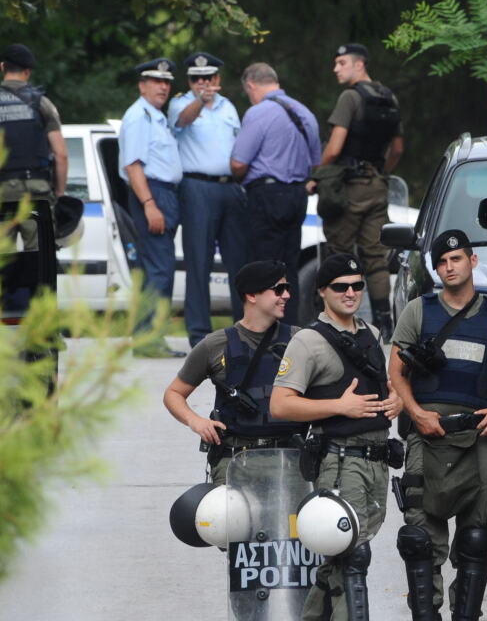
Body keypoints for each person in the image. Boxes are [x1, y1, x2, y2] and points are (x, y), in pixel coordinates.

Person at [388, 229, 487, 621]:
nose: (448, 267)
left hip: (480, 437)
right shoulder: (418, 311)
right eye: (441, 262)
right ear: (436, 271)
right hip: (428, 436)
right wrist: (416, 413)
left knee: (476, 538)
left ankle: (466, 616)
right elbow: (396, 373)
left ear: (472, 262)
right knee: (419, 538)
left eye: (456, 259)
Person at [270, 253, 401, 621]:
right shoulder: (308, 341)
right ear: (323, 292)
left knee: (343, 555)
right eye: (341, 287)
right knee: (352, 554)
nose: (351, 293)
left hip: (376, 461)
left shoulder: (370, 334)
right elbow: (281, 405)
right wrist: (339, 407)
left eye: (357, 285)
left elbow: (387, 388)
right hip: (340, 461)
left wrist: (396, 402)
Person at [163, 260, 304, 486]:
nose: (286, 295)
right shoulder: (215, 345)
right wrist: (196, 421)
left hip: (290, 459)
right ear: (251, 295)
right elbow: (173, 393)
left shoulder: (300, 340)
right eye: (278, 289)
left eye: (288, 289)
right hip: (236, 460)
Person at [313, 43, 404, 339]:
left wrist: (317, 174)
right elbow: (398, 148)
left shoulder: (350, 97)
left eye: (341, 63)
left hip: (348, 187)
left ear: (359, 65)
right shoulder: (389, 97)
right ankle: (385, 323)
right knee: (376, 258)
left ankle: (333, 322)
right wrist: (381, 172)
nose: (335, 68)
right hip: (377, 186)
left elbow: (335, 147)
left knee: (338, 253)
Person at [230, 62, 320, 323]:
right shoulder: (305, 113)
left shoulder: (259, 113)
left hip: (267, 195)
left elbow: (238, 163)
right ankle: (287, 326)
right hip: (297, 197)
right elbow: (316, 163)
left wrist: (239, 177)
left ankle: (261, 328)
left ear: (251, 85)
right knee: (288, 266)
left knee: (261, 266)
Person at [168, 51, 247, 345]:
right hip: (197, 187)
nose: (202, 82)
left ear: (217, 78)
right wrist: (200, 100)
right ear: (189, 80)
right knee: (198, 261)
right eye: (196, 78)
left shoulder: (229, 107)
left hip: (230, 187)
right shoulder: (180, 103)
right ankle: (199, 332)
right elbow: (183, 121)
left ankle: (244, 328)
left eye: (207, 77)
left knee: (238, 261)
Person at [0, 44, 68, 250]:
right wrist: (60, 193)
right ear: (27, 72)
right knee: (39, 261)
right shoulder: (43, 104)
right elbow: (61, 154)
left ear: (2, 67)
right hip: (36, 192)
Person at [118, 57, 185, 359]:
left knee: (155, 270)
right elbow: (133, 166)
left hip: (163, 193)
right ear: (141, 85)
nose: (163, 86)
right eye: (156, 81)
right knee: (160, 270)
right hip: (152, 192)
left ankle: (146, 337)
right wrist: (149, 204)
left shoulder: (156, 116)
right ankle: (150, 338)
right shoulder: (139, 117)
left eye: (167, 82)